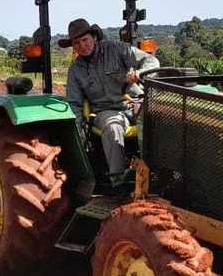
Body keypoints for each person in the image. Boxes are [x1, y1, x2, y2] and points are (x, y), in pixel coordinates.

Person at [61, 18, 158, 191]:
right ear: (73, 46)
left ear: (94, 37)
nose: (82, 45)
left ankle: (157, 172)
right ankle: (118, 180)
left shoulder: (117, 49)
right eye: (77, 43)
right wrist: (77, 134)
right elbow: (74, 103)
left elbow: (151, 61)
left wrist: (140, 72)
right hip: (105, 110)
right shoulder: (75, 70)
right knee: (113, 126)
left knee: (158, 119)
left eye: (85, 40)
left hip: (134, 103)